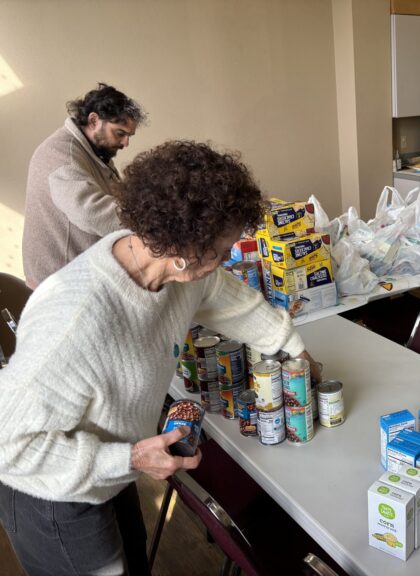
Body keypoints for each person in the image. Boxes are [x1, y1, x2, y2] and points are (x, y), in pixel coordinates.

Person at [0, 140, 322, 576]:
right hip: (51, 495)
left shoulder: (171, 265)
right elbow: (9, 446)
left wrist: (294, 349)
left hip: (110, 463)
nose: (227, 259)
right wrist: (128, 459)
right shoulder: (75, 323)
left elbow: (229, 299)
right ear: (183, 253)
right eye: (223, 249)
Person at [22, 83, 147, 289]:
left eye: (128, 136)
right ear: (94, 120)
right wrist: (156, 223)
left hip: (74, 276)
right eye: (120, 133)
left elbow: (115, 195)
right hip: (59, 284)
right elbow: (92, 212)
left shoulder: (92, 150)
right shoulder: (64, 156)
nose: (125, 143)